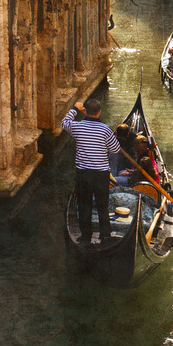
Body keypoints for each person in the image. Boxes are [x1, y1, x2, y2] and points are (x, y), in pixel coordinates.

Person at [61, 98, 120, 244]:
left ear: (85, 111)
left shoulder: (77, 127)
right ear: (99, 112)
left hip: (83, 174)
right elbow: (115, 149)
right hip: (101, 174)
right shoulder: (105, 130)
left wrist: (75, 108)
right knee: (102, 204)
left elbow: (64, 123)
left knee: (84, 205)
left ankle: (86, 236)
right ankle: (105, 235)